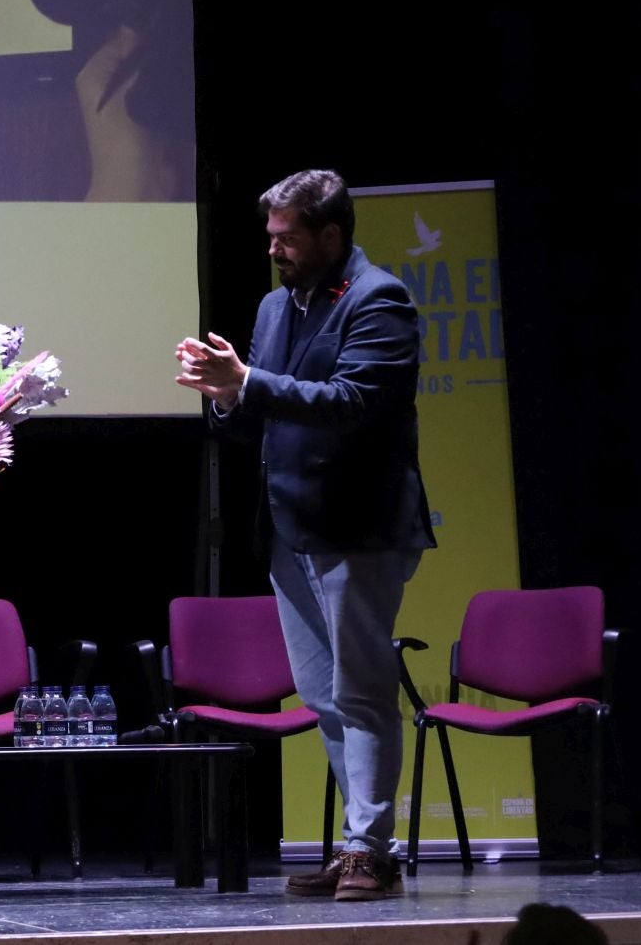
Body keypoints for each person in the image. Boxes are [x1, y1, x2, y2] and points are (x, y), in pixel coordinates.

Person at [175, 169, 435, 902]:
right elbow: (260, 409)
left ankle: (370, 848)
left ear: (330, 234)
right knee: (323, 697)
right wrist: (227, 396)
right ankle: (361, 843)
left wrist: (249, 381)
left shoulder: (379, 299)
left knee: (362, 691)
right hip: (289, 528)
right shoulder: (272, 306)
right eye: (270, 239)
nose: (275, 251)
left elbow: (353, 401)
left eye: (287, 239)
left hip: (357, 526)